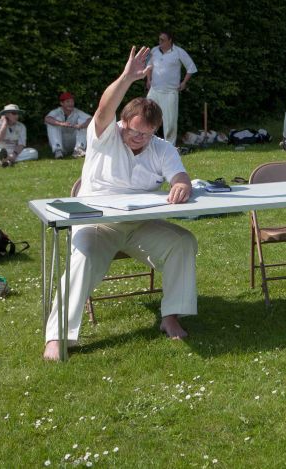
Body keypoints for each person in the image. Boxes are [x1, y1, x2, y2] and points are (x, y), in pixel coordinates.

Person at [43, 46, 197, 361]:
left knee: (183, 241)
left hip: (140, 224)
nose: (140, 138)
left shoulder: (161, 147)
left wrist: (182, 184)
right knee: (83, 257)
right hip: (96, 223)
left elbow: (179, 175)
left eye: (147, 134)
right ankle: (58, 337)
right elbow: (104, 109)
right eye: (135, 132)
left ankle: (170, 316)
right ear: (123, 123)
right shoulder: (105, 135)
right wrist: (127, 77)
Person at [145, 30, 197, 145]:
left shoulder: (179, 52)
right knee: (147, 115)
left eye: (162, 40)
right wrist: (148, 80)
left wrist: (184, 82)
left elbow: (191, 67)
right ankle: (146, 144)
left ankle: (170, 148)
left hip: (170, 92)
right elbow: (149, 66)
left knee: (170, 123)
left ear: (170, 40)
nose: (160, 42)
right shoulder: (154, 50)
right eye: (159, 39)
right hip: (154, 90)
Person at [44, 92, 91, 159]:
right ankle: (58, 150)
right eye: (68, 102)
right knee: (53, 122)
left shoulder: (77, 111)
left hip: (73, 142)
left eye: (72, 102)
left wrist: (81, 125)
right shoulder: (56, 111)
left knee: (83, 121)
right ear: (61, 103)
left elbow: (90, 119)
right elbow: (47, 119)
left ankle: (79, 150)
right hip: (61, 141)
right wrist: (61, 123)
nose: (70, 104)